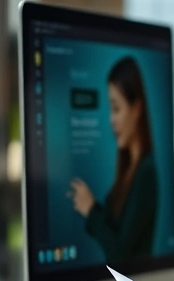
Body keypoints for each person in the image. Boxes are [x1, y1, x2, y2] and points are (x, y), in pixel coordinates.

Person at [68, 56, 158, 265]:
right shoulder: (129, 169)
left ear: (136, 109)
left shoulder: (146, 171)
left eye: (116, 109)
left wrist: (91, 211)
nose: (111, 119)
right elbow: (115, 229)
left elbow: (121, 255)